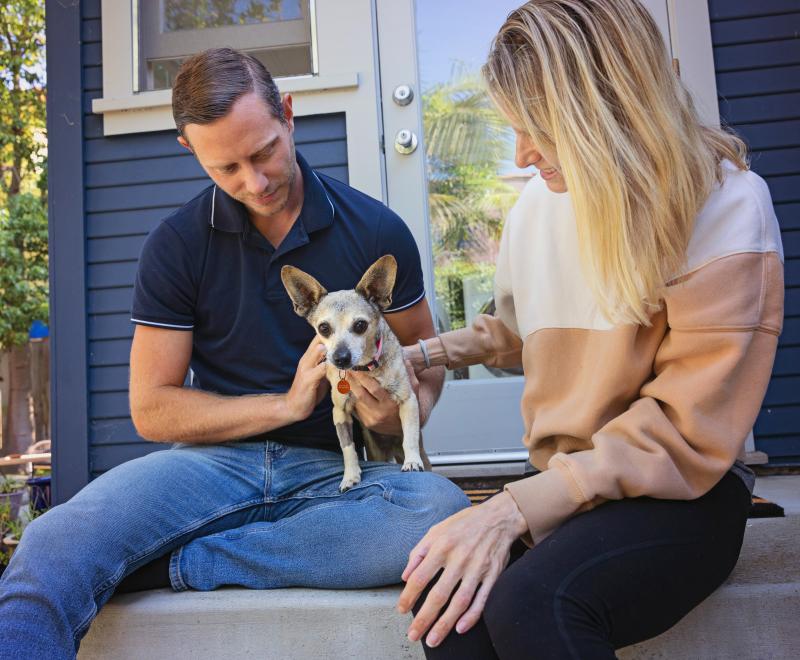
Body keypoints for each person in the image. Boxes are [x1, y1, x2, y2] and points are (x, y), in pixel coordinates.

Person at [0, 48, 468, 659]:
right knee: (51, 543)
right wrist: (285, 405)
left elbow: (425, 362)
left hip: (336, 475)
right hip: (208, 466)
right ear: (189, 150)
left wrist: (405, 409)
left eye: (265, 150)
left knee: (436, 510)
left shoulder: (376, 231)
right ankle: (262, 540)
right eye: (226, 167)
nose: (256, 181)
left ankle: (190, 561)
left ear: (290, 116)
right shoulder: (175, 245)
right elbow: (153, 409)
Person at [397, 1, 784, 657]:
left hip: (681, 493)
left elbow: (685, 425)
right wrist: (424, 353)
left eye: (538, 129)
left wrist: (517, 506)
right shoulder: (534, 207)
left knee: (535, 600)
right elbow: (515, 334)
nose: (521, 154)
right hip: (569, 485)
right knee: (451, 610)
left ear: (605, 110)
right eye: (514, 128)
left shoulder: (727, 207)